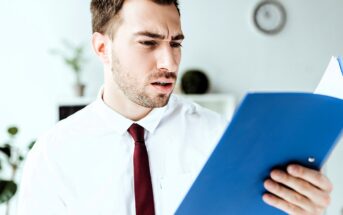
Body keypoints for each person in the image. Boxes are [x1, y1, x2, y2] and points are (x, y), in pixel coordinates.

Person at [17, 0, 332, 214]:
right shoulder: (53, 155)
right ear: (103, 48)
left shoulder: (219, 137)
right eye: (148, 42)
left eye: (176, 43)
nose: (169, 62)